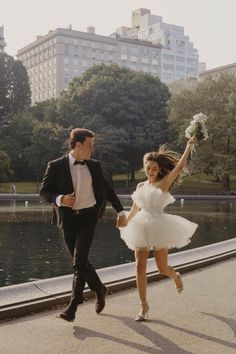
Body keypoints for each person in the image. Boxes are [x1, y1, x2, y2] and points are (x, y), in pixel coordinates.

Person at [40, 128, 127, 322]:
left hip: (88, 217)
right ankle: (99, 288)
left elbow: (108, 190)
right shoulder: (55, 166)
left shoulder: (94, 166)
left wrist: (121, 212)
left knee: (79, 262)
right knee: (80, 261)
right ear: (77, 145)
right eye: (90, 145)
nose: (92, 149)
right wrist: (60, 199)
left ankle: (73, 306)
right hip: (68, 220)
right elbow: (44, 192)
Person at [120, 137, 198, 321]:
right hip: (140, 225)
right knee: (140, 266)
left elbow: (178, 168)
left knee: (162, 268)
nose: (151, 171)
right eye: (148, 168)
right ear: (144, 168)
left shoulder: (163, 184)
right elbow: (134, 209)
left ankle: (175, 275)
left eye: (154, 169)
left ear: (159, 170)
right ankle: (143, 306)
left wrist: (188, 146)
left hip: (159, 225)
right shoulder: (140, 186)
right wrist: (125, 220)